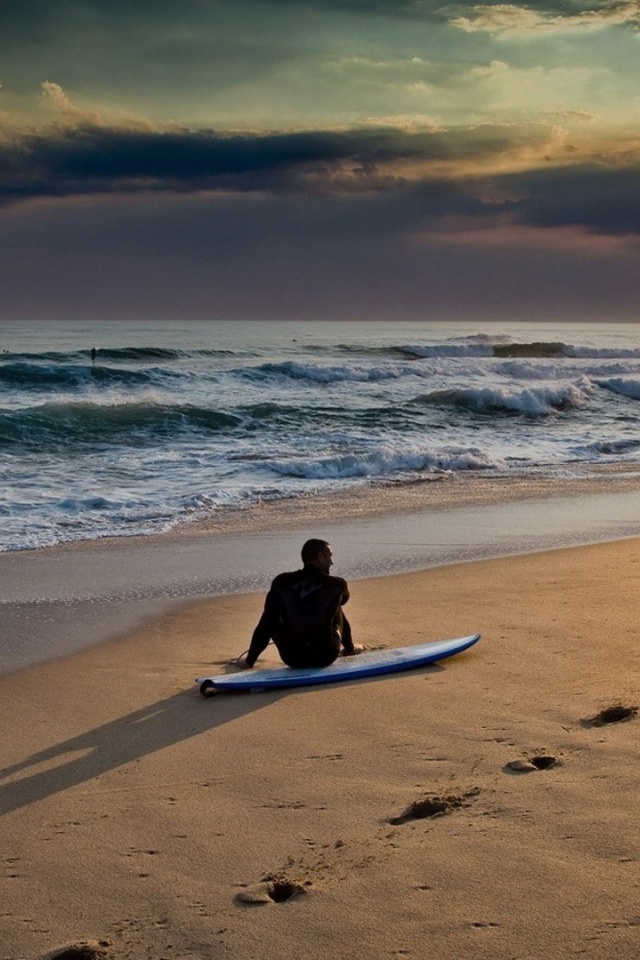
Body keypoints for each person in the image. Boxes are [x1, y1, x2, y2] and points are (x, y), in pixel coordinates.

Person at [240, 539, 363, 669]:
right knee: (335, 603)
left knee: (271, 616)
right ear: (320, 557)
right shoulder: (336, 585)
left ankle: (248, 663)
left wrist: (250, 660)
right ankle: (350, 649)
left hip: (293, 658)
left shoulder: (282, 583)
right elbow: (344, 600)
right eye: (329, 556)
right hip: (326, 654)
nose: (332, 562)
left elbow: (265, 626)